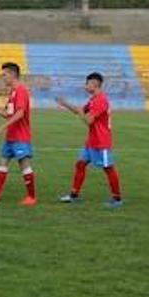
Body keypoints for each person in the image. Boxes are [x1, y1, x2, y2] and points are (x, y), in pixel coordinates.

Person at [57, 72, 122, 207]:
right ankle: (74, 195)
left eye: (87, 83)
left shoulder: (101, 100)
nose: (85, 86)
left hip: (101, 142)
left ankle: (117, 199)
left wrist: (82, 113)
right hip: (92, 141)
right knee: (80, 164)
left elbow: (88, 120)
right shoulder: (93, 99)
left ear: (94, 84)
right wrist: (65, 104)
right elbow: (80, 110)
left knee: (108, 168)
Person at [0, 62, 37, 205]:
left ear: (12, 75)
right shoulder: (13, 92)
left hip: (20, 137)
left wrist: (2, 127)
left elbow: (20, 114)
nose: (3, 77)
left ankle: (31, 197)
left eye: (4, 74)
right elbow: (7, 114)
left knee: (25, 165)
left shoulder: (21, 91)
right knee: (2, 163)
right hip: (11, 137)